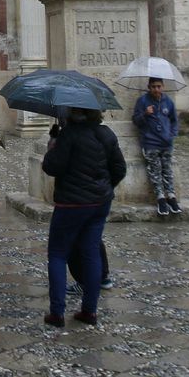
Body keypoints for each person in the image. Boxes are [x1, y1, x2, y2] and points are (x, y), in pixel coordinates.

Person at [41, 108, 126, 327]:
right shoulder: (106, 134)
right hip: (99, 204)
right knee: (91, 253)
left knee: (58, 254)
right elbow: (120, 168)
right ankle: (89, 310)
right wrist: (104, 188)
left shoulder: (68, 135)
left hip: (71, 204)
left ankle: (57, 313)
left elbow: (52, 167)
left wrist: (52, 144)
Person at [133, 77, 182, 216]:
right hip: (150, 142)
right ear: (149, 87)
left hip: (166, 143)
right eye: (153, 86)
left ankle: (171, 196)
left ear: (163, 87)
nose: (156, 89)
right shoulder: (142, 101)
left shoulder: (168, 102)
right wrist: (145, 114)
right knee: (155, 171)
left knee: (167, 169)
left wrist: (172, 135)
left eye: (159, 86)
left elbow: (174, 120)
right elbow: (136, 120)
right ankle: (160, 198)